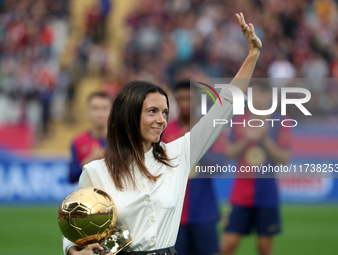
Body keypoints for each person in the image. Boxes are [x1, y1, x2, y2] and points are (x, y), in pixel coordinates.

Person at [63, 12, 262, 255]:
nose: (162, 120)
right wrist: (74, 251)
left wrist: (252, 55)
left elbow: (225, 107)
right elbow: (75, 224)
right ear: (130, 115)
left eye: (165, 112)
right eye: (153, 111)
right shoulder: (96, 172)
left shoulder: (178, 155)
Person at [220, 81, 291, 255]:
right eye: (255, 94)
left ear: (270, 97)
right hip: (240, 193)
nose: (258, 99)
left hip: (267, 193)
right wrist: (246, 138)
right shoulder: (238, 119)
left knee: (264, 247)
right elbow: (227, 154)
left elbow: (284, 158)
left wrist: (265, 137)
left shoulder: (280, 120)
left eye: (263, 94)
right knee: (228, 244)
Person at [162, 80, 227, 255]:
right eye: (180, 99)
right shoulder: (163, 130)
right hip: (172, 216)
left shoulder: (209, 128)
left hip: (204, 212)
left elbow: (219, 166)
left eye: (188, 99)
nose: (184, 104)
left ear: (197, 101)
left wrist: (194, 144)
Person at [68, 91, 112, 184]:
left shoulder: (121, 141)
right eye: (95, 108)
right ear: (87, 111)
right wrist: (90, 160)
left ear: (111, 111)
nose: (100, 114)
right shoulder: (78, 141)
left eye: (104, 108)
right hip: (89, 197)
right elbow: (71, 177)